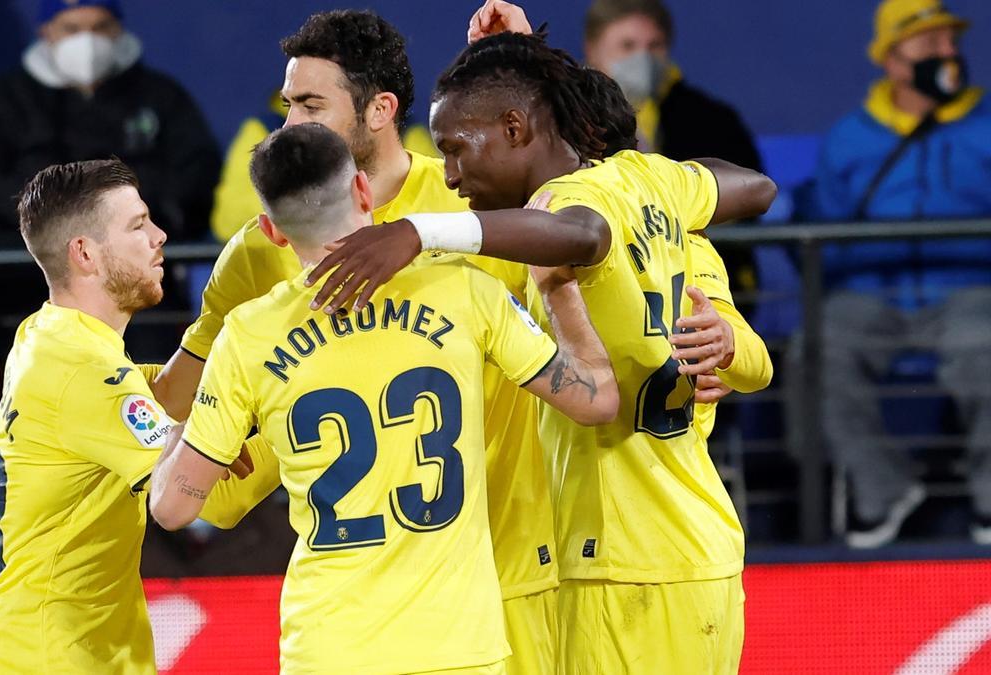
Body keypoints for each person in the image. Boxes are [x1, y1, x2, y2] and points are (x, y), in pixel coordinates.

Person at [305, 31, 775, 674]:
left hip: (626, 557)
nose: (447, 173)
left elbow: (578, 232)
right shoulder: (652, 184)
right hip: (688, 541)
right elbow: (757, 187)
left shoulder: (573, 206)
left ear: (517, 127)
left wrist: (419, 230)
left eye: (454, 148)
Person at [150, 121, 618, 674]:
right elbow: (597, 402)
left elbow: (173, 508)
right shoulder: (461, 289)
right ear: (364, 192)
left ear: (271, 231)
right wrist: (557, 292)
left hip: (329, 649)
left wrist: (177, 440)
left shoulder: (249, 333)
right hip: (457, 647)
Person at [0, 158, 178, 673]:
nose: (160, 235)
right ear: (85, 253)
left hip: (52, 651)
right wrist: (287, 428)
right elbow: (210, 494)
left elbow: (155, 398)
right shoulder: (83, 368)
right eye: (138, 224)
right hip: (50, 658)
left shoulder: (47, 333)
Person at [805, 0, 991, 548]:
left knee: (985, 350)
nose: (947, 55)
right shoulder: (848, 137)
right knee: (822, 349)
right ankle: (884, 490)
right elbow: (824, 234)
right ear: (892, 59)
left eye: (951, 43)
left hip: (968, 291)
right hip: (870, 294)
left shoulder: (985, 129)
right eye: (930, 45)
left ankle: (989, 496)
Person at [0, 0, 220, 243]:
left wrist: (124, 208)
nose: (88, 41)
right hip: (28, 268)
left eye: (100, 27)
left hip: (142, 259)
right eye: (71, 29)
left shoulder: (160, 94)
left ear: (118, 28)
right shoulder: (5, 98)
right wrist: (51, 207)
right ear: (46, 31)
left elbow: (199, 168)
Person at [208, 89, 439, 243]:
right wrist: (314, 223)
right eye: (289, 105)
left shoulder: (404, 133)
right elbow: (228, 220)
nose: (294, 124)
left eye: (313, 108)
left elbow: (435, 209)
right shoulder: (264, 131)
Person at [581, 0, 761, 171]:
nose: (643, 59)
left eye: (654, 46)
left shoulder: (715, 124)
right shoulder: (567, 119)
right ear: (592, 49)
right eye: (627, 46)